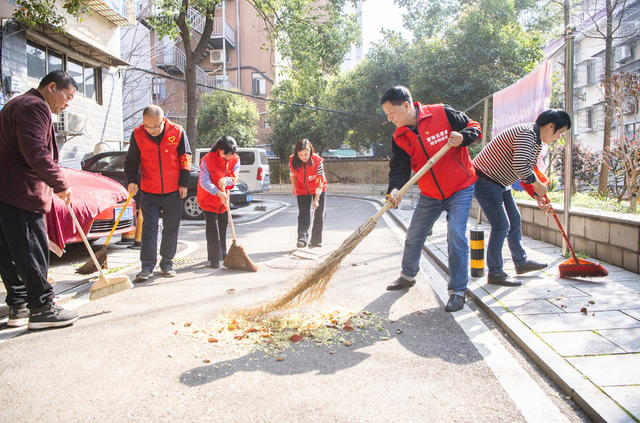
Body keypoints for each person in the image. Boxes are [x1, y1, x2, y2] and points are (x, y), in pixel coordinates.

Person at [381, 86, 481, 313]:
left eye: (391, 113)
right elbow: (399, 167)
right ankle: (407, 275)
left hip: (460, 187)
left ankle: (457, 290)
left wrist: (462, 137)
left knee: (456, 233)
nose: (389, 118)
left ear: (406, 105)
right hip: (431, 193)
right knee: (415, 233)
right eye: (386, 114)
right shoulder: (400, 136)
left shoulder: (441, 113)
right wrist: (395, 189)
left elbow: (474, 127)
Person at [0, 70, 79, 329]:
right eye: (67, 96)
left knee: (10, 252)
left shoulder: (15, 104)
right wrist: (59, 182)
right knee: (31, 250)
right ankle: (41, 308)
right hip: (21, 191)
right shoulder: (35, 107)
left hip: (5, 191)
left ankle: (19, 306)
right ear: (52, 87)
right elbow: (35, 150)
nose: (68, 103)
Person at [473, 109, 571, 286]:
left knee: (515, 220)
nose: (558, 137)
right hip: (485, 179)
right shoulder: (526, 134)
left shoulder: (536, 140)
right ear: (550, 126)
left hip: (501, 181)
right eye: (560, 132)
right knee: (501, 225)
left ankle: (521, 262)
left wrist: (537, 195)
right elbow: (520, 167)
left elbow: (527, 171)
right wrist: (538, 185)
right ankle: (495, 272)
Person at [124, 105, 192, 281]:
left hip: (173, 192)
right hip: (149, 191)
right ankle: (146, 266)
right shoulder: (138, 134)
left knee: (171, 228)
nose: (152, 130)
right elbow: (131, 161)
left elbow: (185, 158)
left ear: (163, 120)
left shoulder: (177, 131)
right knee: (149, 228)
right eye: (148, 126)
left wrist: (184, 183)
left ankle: (167, 263)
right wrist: (132, 181)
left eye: (155, 126)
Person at [197, 135, 240, 269]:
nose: (228, 157)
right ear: (219, 149)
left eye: (230, 155)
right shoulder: (207, 159)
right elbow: (204, 181)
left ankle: (222, 252)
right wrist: (217, 191)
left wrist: (226, 180)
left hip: (223, 199)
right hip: (208, 197)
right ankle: (214, 258)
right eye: (225, 154)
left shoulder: (235, 159)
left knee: (223, 225)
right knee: (213, 228)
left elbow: (235, 176)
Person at [289, 139, 327, 248]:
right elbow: (292, 174)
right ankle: (302, 239)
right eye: (300, 154)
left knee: (319, 214)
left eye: (306, 154)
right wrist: (294, 187)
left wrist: (316, 199)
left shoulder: (317, 161)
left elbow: (320, 180)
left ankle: (316, 241)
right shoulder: (293, 160)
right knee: (303, 214)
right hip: (302, 189)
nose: (303, 157)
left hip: (318, 187)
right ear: (297, 153)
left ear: (310, 151)